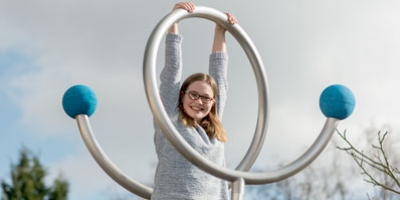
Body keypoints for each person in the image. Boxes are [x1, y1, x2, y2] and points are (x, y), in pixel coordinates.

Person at [152, 2, 237, 199]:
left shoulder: (213, 131)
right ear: (181, 96)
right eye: (194, 95)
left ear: (213, 102)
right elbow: (172, 70)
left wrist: (220, 29)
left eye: (206, 97)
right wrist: (174, 20)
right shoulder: (170, 120)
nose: (199, 101)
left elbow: (220, 78)